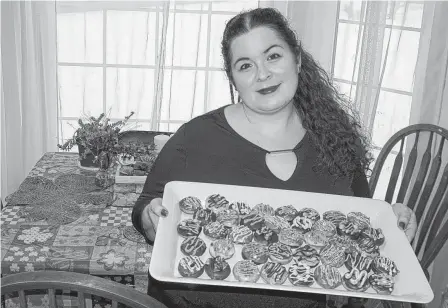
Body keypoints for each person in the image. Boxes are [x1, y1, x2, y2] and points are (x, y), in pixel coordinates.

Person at [132, 7, 417, 308]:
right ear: (233, 79)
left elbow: (359, 215)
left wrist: (393, 222)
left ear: (297, 58)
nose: (263, 74)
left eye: (273, 56)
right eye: (245, 65)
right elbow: (146, 206)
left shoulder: (335, 139)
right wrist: (151, 217)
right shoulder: (194, 138)